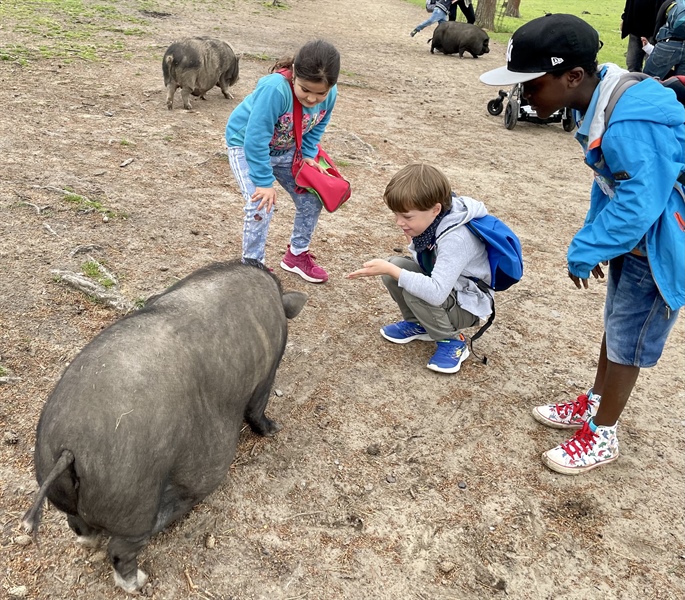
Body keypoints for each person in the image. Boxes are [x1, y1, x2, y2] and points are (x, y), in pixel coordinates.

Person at [480, 13, 685, 474]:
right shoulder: (602, 103)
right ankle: (595, 402)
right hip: (637, 243)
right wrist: (599, 237)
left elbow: (640, 200)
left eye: (531, 85)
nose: (525, 95)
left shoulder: (628, 120)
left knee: (627, 341)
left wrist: (589, 247)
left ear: (573, 77)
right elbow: (610, 182)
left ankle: (603, 434)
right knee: (616, 328)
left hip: (660, 244)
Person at [346, 163, 493, 374]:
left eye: (407, 217)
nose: (399, 222)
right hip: (451, 291)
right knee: (396, 266)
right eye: (396, 215)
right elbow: (427, 262)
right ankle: (420, 324)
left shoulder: (456, 238)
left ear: (435, 209)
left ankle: (452, 342)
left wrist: (392, 270)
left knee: (408, 285)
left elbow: (435, 292)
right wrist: (407, 251)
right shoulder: (433, 223)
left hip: (467, 304)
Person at [225, 39, 340, 283]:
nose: (312, 98)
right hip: (247, 147)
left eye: (321, 92)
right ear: (294, 74)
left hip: (287, 148)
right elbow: (255, 139)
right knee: (261, 204)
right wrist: (264, 182)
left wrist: (308, 155)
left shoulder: (330, 95)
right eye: (305, 89)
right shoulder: (275, 89)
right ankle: (252, 267)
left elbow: (317, 127)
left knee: (312, 196)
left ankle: (296, 255)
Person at [643, 0, 685, 79]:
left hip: (668, 43)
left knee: (649, 79)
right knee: (682, 84)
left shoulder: (671, 3)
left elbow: (658, 23)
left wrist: (651, 45)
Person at [621, 0, 666, 72]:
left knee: (651, 67)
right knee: (632, 64)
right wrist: (624, 18)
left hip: (654, 32)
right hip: (635, 30)